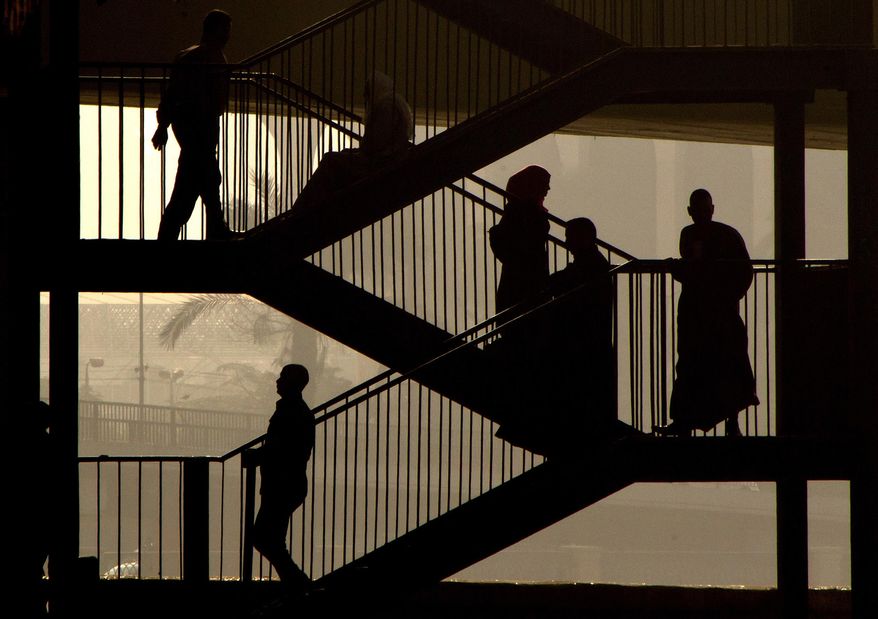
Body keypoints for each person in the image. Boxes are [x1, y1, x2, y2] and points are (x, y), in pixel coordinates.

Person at [659, 189, 759, 437]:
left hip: (712, 312)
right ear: (693, 211)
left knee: (720, 363)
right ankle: (692, 422)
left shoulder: (707, 234)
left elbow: (738, 272)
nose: (702, 214)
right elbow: (740, 272)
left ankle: (708, 422)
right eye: (699, 210)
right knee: (704, 364)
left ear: (710, 210)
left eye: (705, 210)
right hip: (704, 312)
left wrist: (724, 295)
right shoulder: (712, 234)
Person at [152, 9, 238, 241]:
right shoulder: (206, 57)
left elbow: (171, 95)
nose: (228, 35)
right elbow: (178, 94)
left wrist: (163, 126)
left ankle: (210, 229)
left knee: (198, 184)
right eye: (225, 30)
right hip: (199, 129)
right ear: (213, 30)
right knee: (202, 181)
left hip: (196, 131)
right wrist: (163, 125)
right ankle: (214, 231)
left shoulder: (194, 56)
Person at [286, 71, 413, 221]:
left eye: (367, 94)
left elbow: (375, 144)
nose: (365, 100)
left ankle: (297, 214)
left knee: (330, 162)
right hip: (383, 160)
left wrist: (362, 148)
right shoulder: (391, 105)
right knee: (338, 158)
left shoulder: (386, 108)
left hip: (379, 165)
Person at [544, 217, 616, 449]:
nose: (566, 243)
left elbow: (566, 283)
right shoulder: (592, 263)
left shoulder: (591, 266)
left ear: (584, 238)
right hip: (589, 347)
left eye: (569, 237)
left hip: (585, 348)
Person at [244, 364, 315, 590]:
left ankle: (297, 583)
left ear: (292, 382)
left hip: (282, 484)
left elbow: (282, 448)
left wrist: (258, 456)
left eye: (283, 377)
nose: (277, 380)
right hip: (286, 483)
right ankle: (295, 583)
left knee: (264, 537)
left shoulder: (291, 411)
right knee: (270, 538)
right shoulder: (296, 410)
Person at [489, 165, 552, 315]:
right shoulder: (521, 213)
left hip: (525, 282)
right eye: (544, 183)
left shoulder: (521, 211)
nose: (548, 188)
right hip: (524, 285)